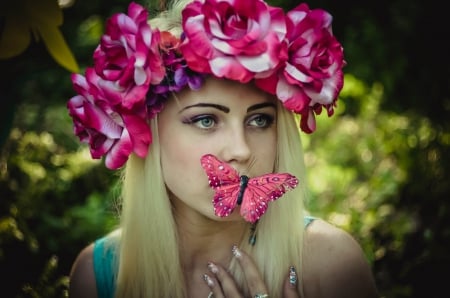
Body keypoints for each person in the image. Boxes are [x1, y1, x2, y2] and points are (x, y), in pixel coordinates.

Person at [67, 0, 379, 297]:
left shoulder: (330, 265)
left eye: (259, 120)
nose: (241, 151)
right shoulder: (96, 278)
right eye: (206, 120)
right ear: (147, 132)